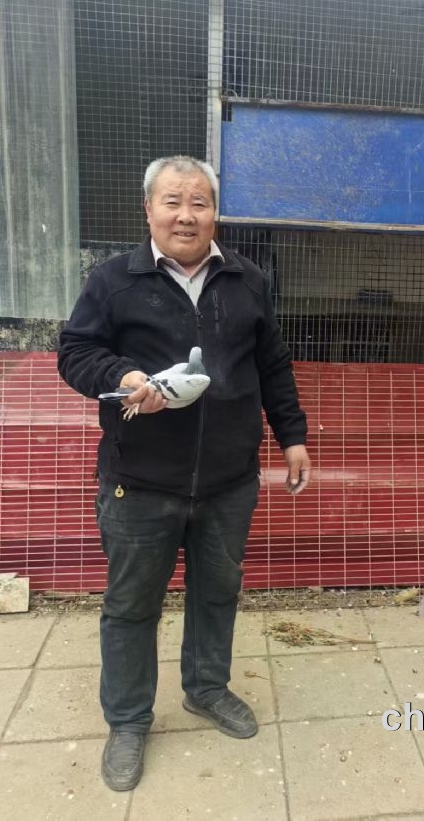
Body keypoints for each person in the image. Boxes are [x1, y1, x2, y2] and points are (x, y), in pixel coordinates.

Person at [58, 155, 310, 792]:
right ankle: (127, 720)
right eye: (172, 202)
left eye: (199, 202)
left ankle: (206, 689)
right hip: (140, 480)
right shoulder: (115, 280)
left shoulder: (247, 280)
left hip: (229, 479)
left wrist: (293, 438)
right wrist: (122, 377)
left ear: (215, 213)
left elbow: (272, 364)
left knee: (217, 593)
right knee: (131, 605)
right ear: (149, 210)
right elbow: (76, 352)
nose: (186, 215)